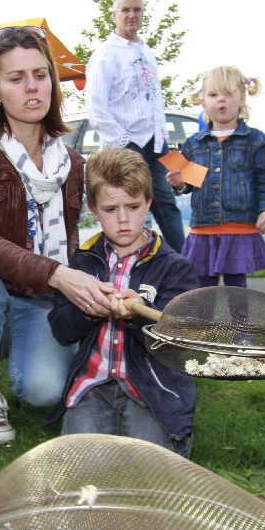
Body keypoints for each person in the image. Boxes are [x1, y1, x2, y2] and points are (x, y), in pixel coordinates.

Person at [0, 26, 102, 444]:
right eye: (16, 78)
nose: (32, 87)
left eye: (40, 74)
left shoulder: (73, 163)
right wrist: (57, 274)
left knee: (43, 391)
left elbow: (94, 229)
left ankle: (26, 351)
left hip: (42, 302)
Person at [46, 147, 198, 456]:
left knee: (149, 466)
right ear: (94, 209)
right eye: (111, 209)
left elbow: (180, 342)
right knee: (78, 465)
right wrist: (88, 309)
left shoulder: (176, 268)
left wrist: (139, 314)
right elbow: (61, 330)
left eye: (133, 206)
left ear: (148, 202)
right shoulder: (81, 263)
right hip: (93, 385)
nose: (124, 219)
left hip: (151, 389)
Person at [85, 0, 185, 253]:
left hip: (156, 143)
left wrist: (161, 136)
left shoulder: (146, 51)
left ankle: (184, 267)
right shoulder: (105, 54)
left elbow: (154, 100)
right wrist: (124, 142)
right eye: (125, 10)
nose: (132, 15)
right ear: (114, 15)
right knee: (126, 209)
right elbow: (96, 107)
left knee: (166, 205)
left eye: (137, 10)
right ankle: (122, 264)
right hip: (126, 146)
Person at [167, 66, 265, 288]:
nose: (221, 100)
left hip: (239, 229)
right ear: (203, 102)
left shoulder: (257, 141)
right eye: (213, 94)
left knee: (236, 291)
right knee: (202, 292)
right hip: (203, 230)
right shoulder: (192, 144)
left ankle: (237, 315)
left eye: (228, 93)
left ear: (242, 98)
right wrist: (179, 184)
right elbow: (188, 184)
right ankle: (204, 316)